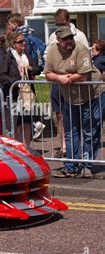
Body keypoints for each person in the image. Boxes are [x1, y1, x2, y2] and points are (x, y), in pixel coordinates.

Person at [45, 26, 103, 178]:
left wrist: (67, 78)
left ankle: (86, 166)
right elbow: (48, 73)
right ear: (58, 40)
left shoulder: (81, 48)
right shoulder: (52, 51)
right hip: (70, 98)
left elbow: (84, 74)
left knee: (89, 132)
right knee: (71, 133)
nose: (69, 41)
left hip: (91, 95)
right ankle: (71, 167)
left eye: (71, 38)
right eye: (65, 39)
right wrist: (59, 78)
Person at [45, 9, 89, 157]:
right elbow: (48, 57)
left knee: (79, 116)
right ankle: (64, 145)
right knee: (60, 114)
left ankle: (79, 148)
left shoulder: (80, 36)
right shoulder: (53, 36)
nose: (60, 27)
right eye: (57, 24)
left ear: (69, 21)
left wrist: (72, 77)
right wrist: (58, 77)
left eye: (62, 23)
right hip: (58, 82)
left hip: (77, 85)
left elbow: (85, 59)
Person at [0, 32, 41, 145]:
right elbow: (2, 76)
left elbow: (38, 69)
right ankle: (17, 150)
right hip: (14, 95)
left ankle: (27, 149)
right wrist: (15, 83)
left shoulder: (26, 55)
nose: (23, 43)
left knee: (27, 123)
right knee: (16, 125)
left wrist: (30, 68)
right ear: (13, 44)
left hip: (26, 95)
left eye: (23, 41)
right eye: (20, 41)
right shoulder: (8, 57)